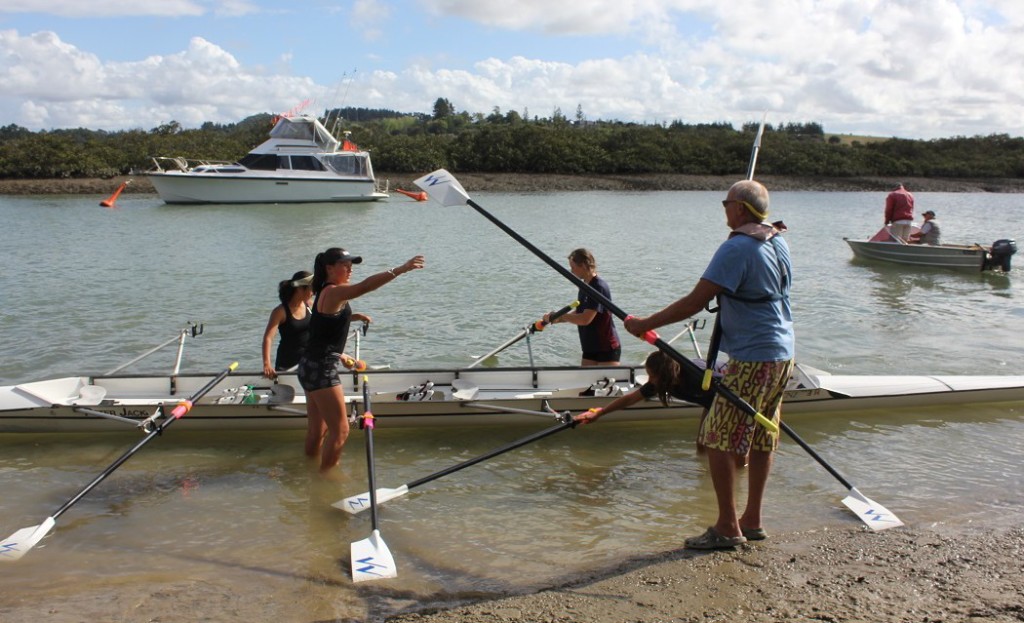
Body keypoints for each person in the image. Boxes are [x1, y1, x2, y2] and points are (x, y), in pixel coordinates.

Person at [622, 180, 794, 550]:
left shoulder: (736, 248)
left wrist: (643, 325)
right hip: (783, 351)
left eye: (726, 203)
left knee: (715, 436)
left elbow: (694, 302)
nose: (724, 209)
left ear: (741, 210)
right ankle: (753, 520)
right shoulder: (777, 241)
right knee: (763, 435)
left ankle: (727, 527)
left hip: (751, 355)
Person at [297, 247, 425, 472]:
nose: (350, 269)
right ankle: (326, 479)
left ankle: (308, 470)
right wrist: (401, 269)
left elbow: (324, 321)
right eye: (344, 265)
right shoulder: (334, 291)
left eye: (351, 265)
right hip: (323, 370)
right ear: (329, 268)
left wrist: (353, 317)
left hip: (308, 366)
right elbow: (365, 287)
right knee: (341, 431)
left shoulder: (325, 293)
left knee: (318, 431)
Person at [544, 248, 621, 366]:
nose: (571, 271)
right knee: (587, 384)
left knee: (606, 384)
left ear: (584, 265)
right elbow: (580, 312)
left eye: (573, 268)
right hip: (589, 346)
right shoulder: (584, 285)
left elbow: (585, 319)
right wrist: (558, 318)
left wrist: (563, 317)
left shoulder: (598, 286)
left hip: (606, 347)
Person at [261, 271, 313, 379]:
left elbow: (328, 319)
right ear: (299, 289)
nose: (313, 292)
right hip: (287, 365)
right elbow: (268, 338)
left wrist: (355, 317)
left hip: (309, 362)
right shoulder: (280, 312)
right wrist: (267, 364)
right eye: (311, 288)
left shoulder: (309, 305)